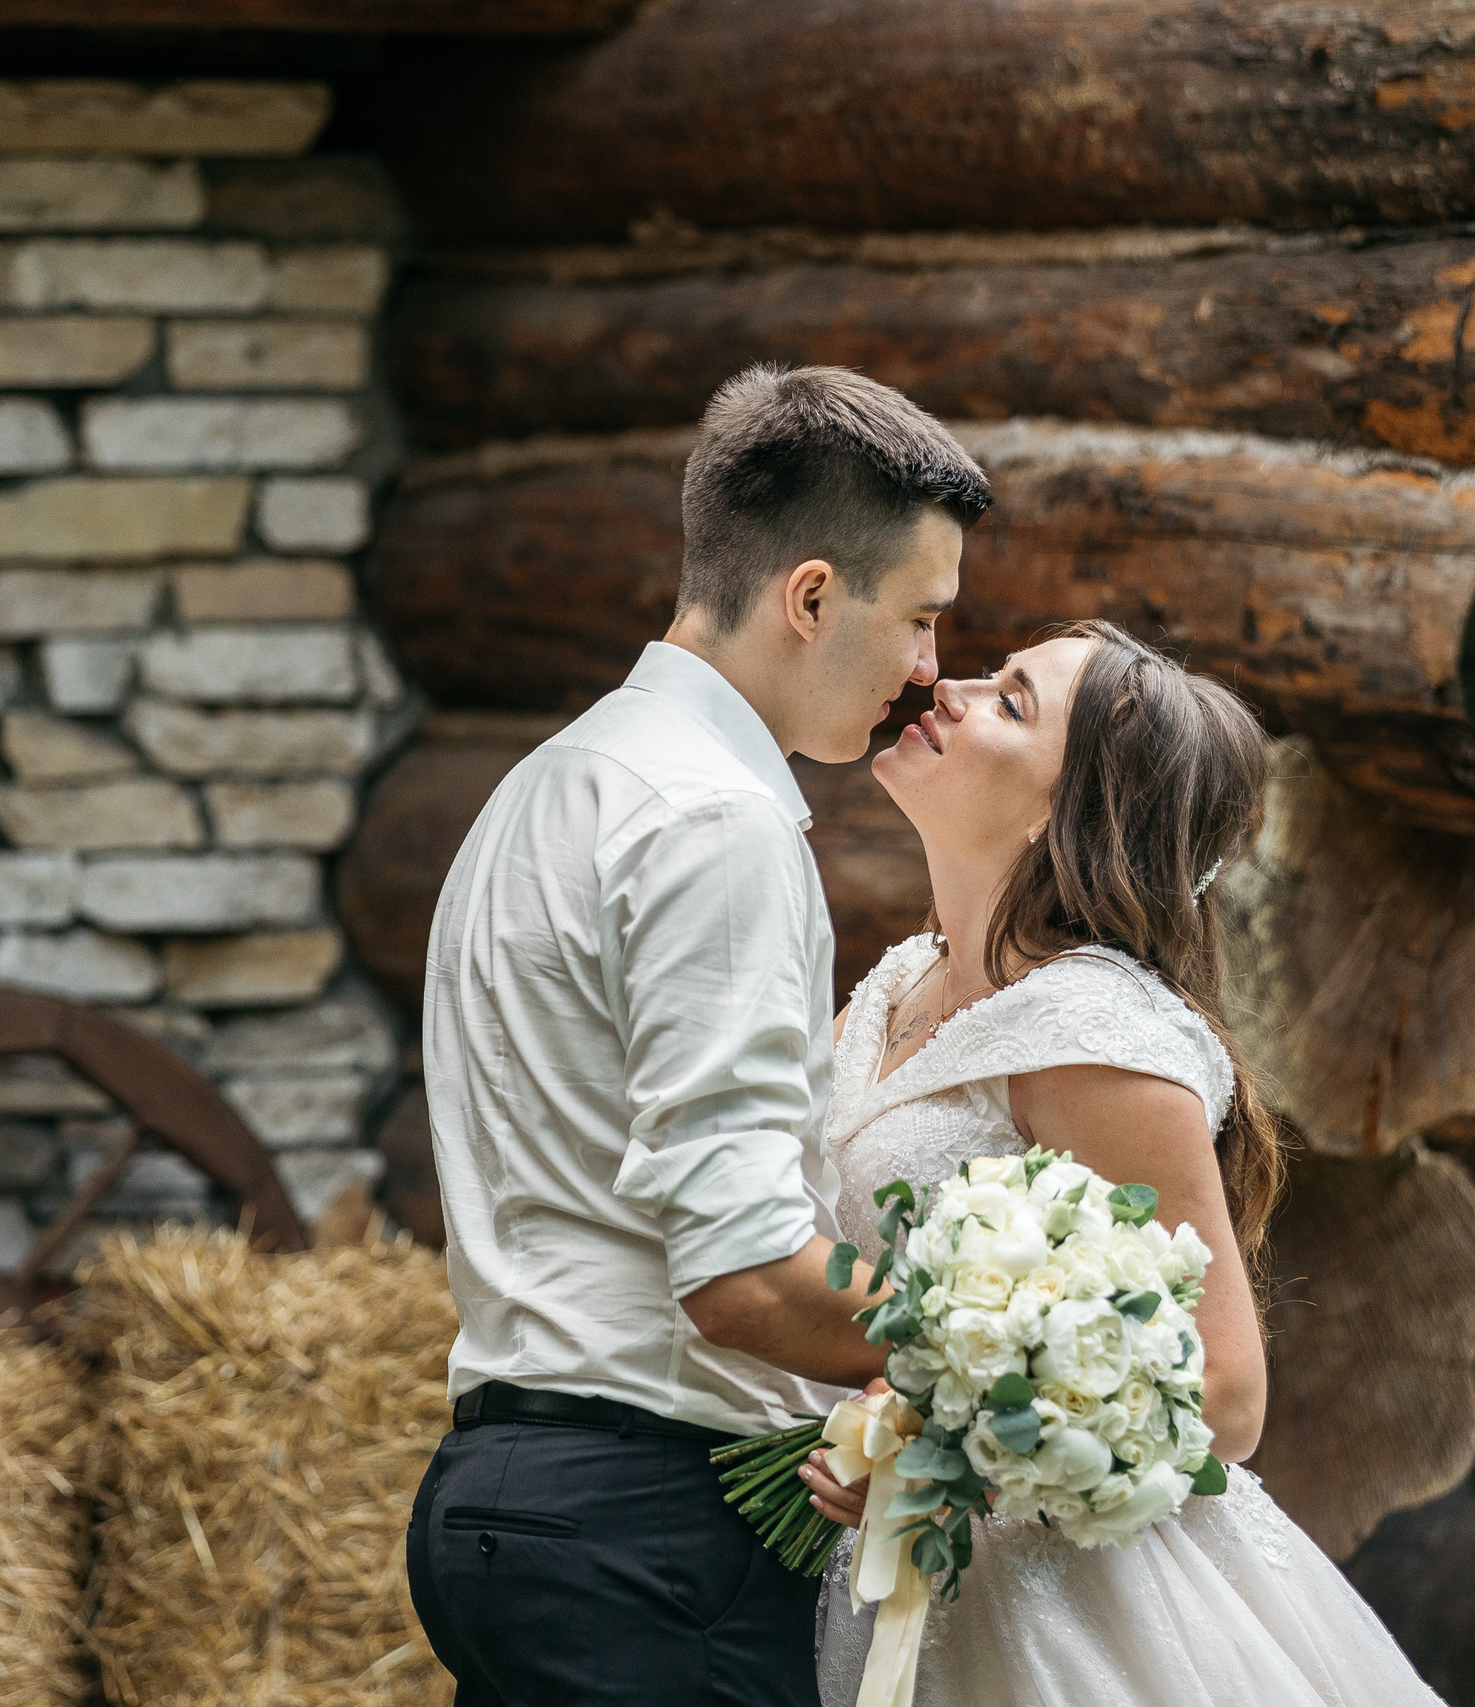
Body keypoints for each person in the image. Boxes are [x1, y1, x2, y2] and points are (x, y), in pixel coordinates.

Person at [404, 364, 995, 1706]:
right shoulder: (715, 818)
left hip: (520, 1502)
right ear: (810, 598)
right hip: (646, 1534)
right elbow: (741, 1275)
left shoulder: (553, 778)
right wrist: (1015, 1353)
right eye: (919, 618)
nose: (928, 670)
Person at [801, 621, 1448, 1705]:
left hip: (1060, 1610)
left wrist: (954, 1460)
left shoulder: (1088, 1031)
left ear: (1064, 815)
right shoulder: (895, 988)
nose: (952, 689)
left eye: (1010, 701)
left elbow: (1226, 1394)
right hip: (887, 1565)